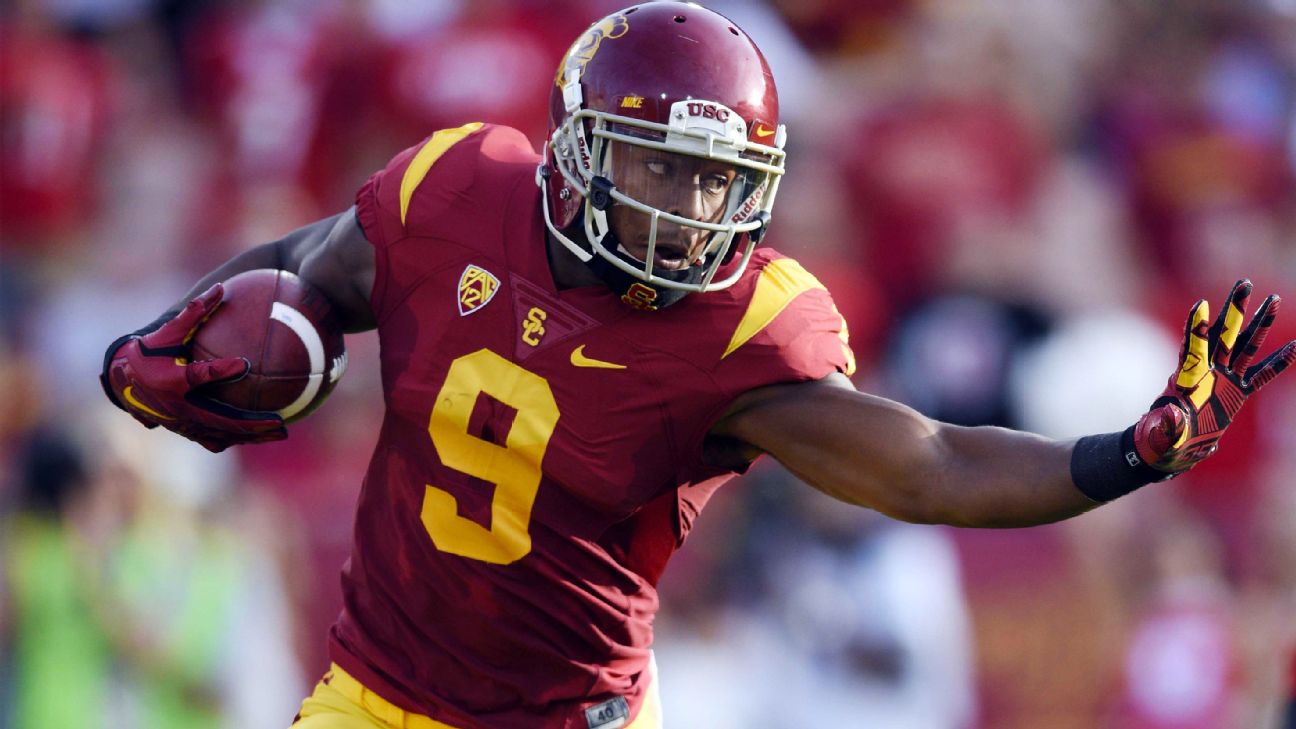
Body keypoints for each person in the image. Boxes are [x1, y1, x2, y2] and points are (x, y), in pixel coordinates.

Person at [98, 3, 1296, 728]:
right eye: (660, 166)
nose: (690, 208)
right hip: (373, 693)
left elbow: (932, 466)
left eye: (718, 179)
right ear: (575, 146)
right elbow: (306, 267)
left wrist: (1127, 456)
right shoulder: (454, 190)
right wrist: (177, 345)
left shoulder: (743, 336)